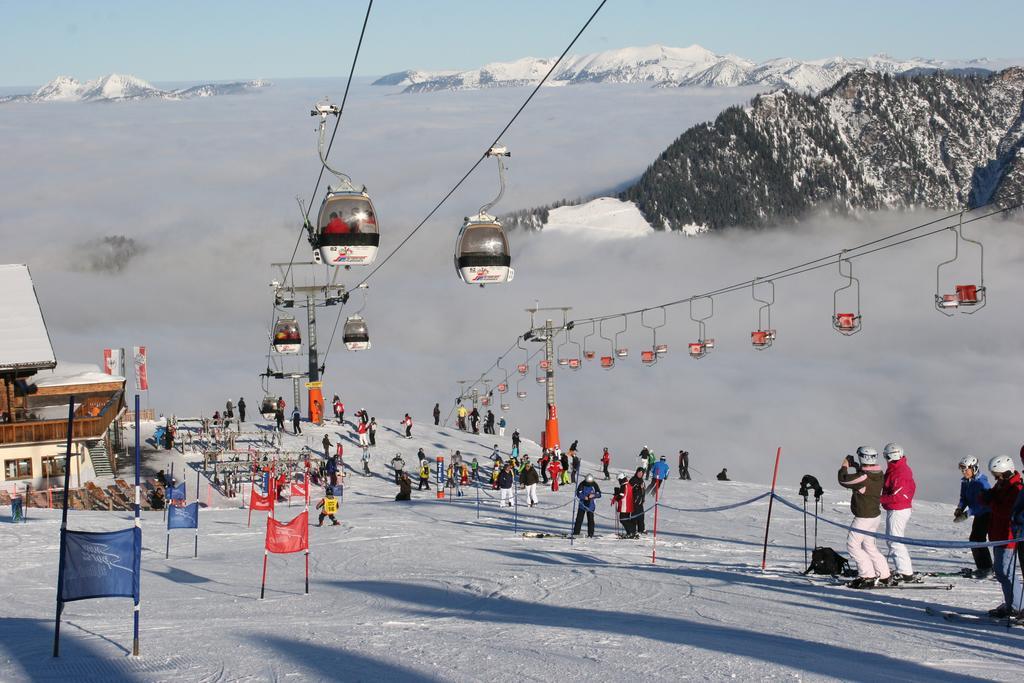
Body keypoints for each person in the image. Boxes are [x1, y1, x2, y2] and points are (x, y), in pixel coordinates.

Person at [838, 447, 891, 589]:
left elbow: (844, 480)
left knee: (853, 545)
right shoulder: (878, 473)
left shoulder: (864, 477)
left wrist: (845, 465)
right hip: (874, 515)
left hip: (863, 516)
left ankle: (867, 575)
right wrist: (856, 466)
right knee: (869, 546)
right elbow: (863, 476)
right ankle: (884, 575)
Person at [979, 455, 1023, 617]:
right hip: (998, 534)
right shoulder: (1002, 485)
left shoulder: (1015, 488)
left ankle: (1017, 605)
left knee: (1005, 571)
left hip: (1009, 536)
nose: (995, 478)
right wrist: (985, 497)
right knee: (1001, 571)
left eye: (997, 474)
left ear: (1006, 472)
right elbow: (991, 499)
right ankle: (1013, 603)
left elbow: (1007, 512)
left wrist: (991, 502)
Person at [880, 443, 920, 583]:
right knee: (893, 540)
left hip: (898, 509)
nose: (885, 458)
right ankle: (904, 570)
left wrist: (880, 499)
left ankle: (905, 572)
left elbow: (900, 496)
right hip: (896, 508)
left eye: (886, 455)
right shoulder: (896, 469)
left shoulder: (900, 472)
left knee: (895, 541)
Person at [954, 455, 994, 577]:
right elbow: (964, 498)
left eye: (966, 469)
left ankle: (986, 568)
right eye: (962, 469)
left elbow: (982, 504)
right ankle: (983, 567)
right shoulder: (966, 482)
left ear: (974, 468)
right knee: (975, 539)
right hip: (978, 514)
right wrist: (960, 508)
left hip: (987, 513)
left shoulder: (982, 484)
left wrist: (967, 514)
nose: (964, 472)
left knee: (977, 539)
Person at [628, 467, 647, 534]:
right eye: (639, 472)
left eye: (641, 473)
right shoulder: (633, 480)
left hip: (640, 501)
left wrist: (643, 498)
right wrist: (638, 487)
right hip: (634, 501)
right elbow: (630, 489)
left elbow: (643, 490)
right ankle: (633, 530)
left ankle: (641, 529)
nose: (640, 474)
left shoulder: (641, 481)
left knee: (641, 516)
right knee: (634, 516)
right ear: (636, 472)